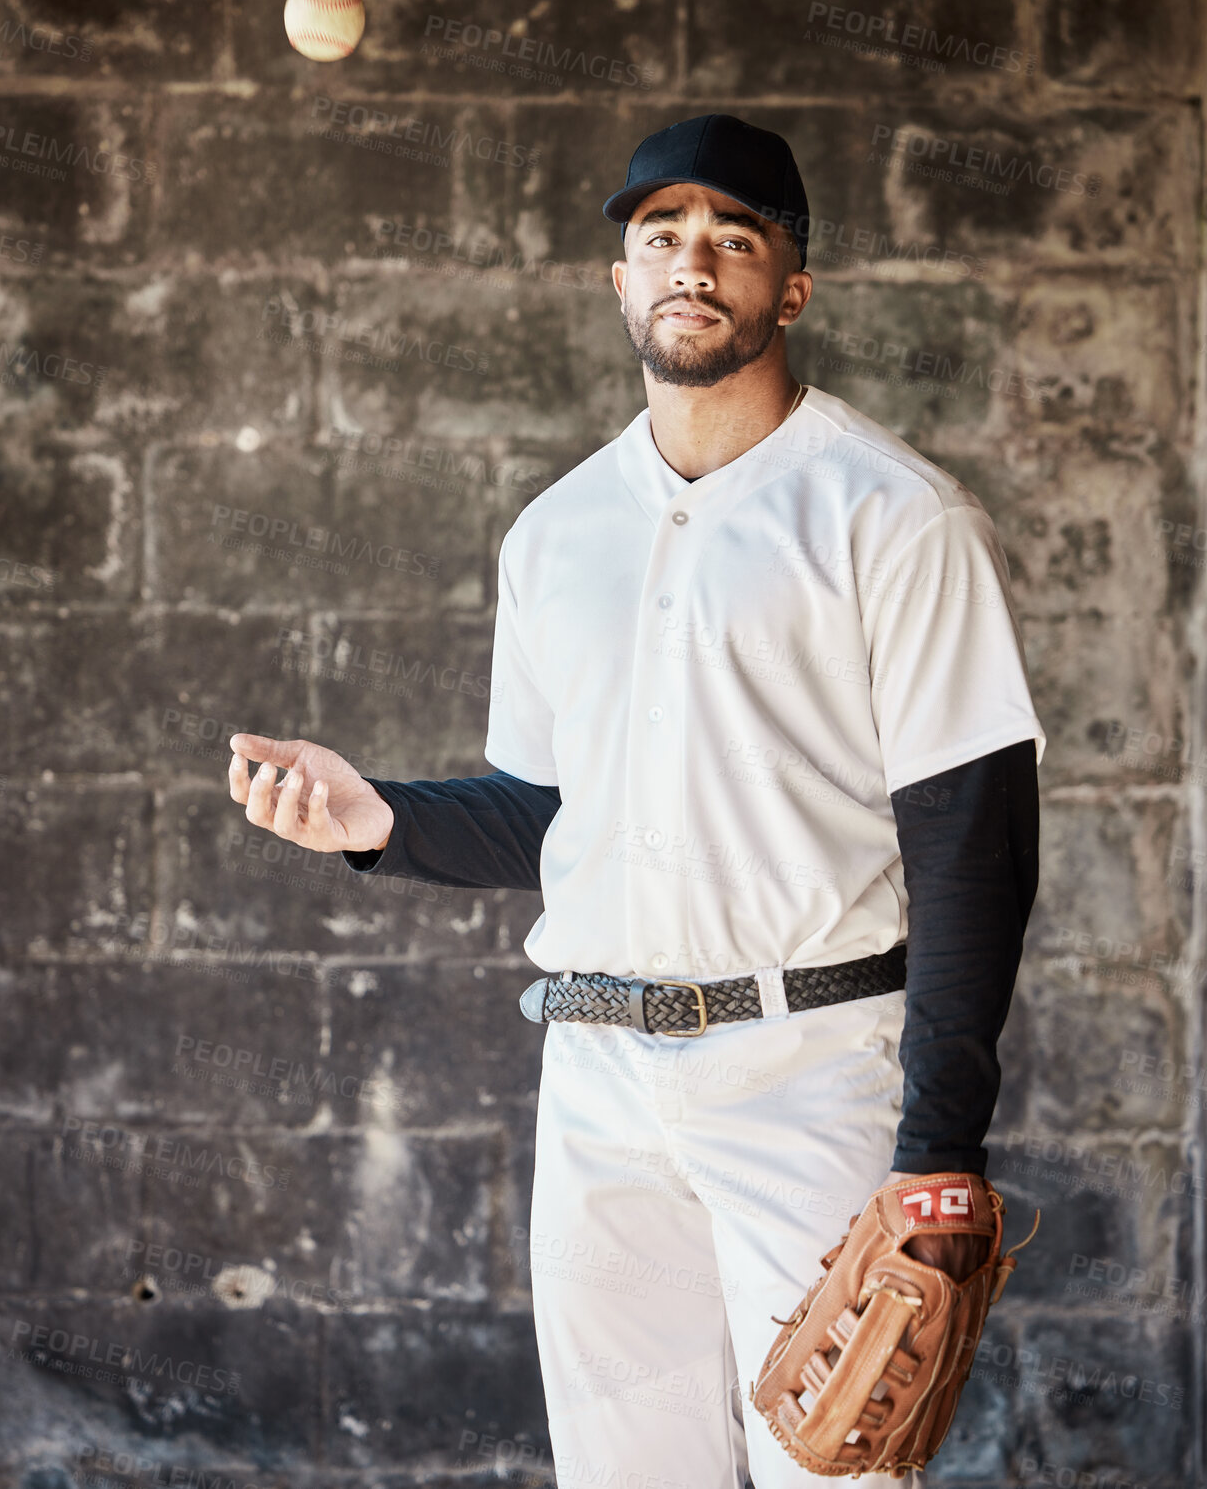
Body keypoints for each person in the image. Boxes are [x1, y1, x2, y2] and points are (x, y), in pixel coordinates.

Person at [229, 113, 1045, 1488]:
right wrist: (381, 816)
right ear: (620, 277)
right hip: (599, 1079)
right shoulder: (555, 534)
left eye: (736, 236)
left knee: (838, 1472)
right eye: (661, 235)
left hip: (813, 1068)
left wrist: (940, 1147)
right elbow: (551, 811)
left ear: (792, 285)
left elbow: (973, 843)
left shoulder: (895, 517)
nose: (693, 261)